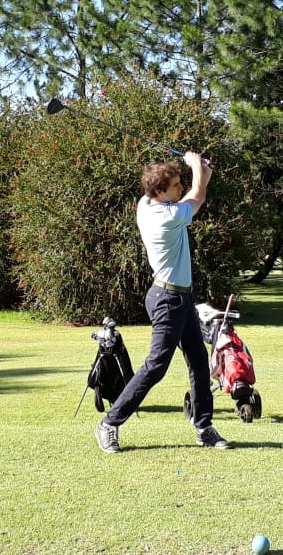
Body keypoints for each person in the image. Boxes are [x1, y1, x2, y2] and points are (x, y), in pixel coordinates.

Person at [94, 150, 230, 452]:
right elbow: (197, 197)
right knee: (156, 366)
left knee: (199, 363)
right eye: (175, 185)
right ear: (159, 191)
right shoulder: (164, 217)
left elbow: (195, 193)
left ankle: (204, 428)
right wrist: (195, 166)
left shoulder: (147, 203)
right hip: (167, 300)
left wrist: (202, 174)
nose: (181, 188)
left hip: (181, 298)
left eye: (181, 183)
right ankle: (109, 424)